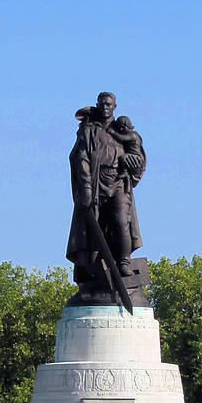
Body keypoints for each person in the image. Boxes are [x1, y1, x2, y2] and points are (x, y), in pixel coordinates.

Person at [66, 92, 146, 286]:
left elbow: (139, 158)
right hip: (94, 184)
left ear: (114, 106)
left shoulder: (122, 131)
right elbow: (80, 157)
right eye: (102, 104)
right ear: (97, 105)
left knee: (121, 221)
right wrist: (85, 186)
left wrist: (132, 163)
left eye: (109, 104)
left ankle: (123, 262)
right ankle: (92, 270)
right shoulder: (88, 130)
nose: (105, 107)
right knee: (92, 229)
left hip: (118, 182)